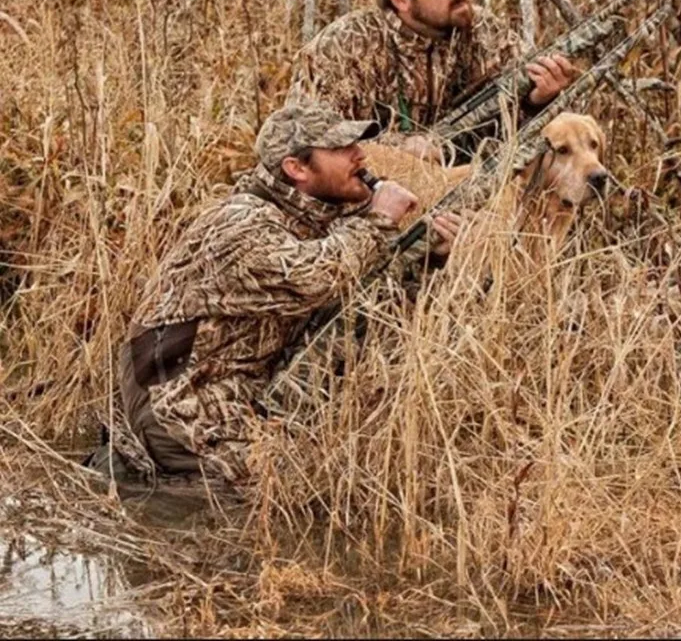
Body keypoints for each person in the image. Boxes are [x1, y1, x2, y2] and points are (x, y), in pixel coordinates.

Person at [103, 100, 463, 483]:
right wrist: (379, 221)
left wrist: (428, 257)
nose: (359, 155)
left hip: (244, 395)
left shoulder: (316, 219)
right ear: (296, 169)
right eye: (342, 149)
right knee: (281, 497)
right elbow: (317, 279)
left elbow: (357, 301)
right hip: (181, 414)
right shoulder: (240, 225)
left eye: (355, 145)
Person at [268, 0, 575, 164]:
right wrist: (400, 152)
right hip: (371, 195)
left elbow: (516, 132)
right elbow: (307, 146)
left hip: (467, 186)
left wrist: (538, 101)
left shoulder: (486, 32)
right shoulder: (343, 47)